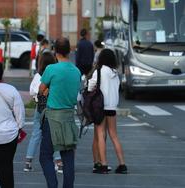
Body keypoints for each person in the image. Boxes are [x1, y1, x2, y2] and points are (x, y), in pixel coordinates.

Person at [39, 37, 81, 188]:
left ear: (55, 51)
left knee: (45, 156)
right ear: (69, 51)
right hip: (69, 118)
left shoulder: (51, 69)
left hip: (52, 118)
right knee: (68, 159)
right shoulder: (76, 71)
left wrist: (48, 91)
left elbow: (41, 89)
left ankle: (52, 184)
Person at [88, 49, 128, 174]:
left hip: (100, 107)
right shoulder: (115, 73)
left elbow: (90, 87)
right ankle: (122, 164)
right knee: (114, 135)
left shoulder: (99, 71)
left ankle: (103, 164)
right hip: (112, 107)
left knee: (100, 134)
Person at [24, 52, 62, 173]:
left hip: (39, 107)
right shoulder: (56, 74)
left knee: (36, 134)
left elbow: (32, 91)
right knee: (54, 134)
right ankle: (58, 162)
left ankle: (28, 162)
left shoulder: (38, 75)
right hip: (53, 107)